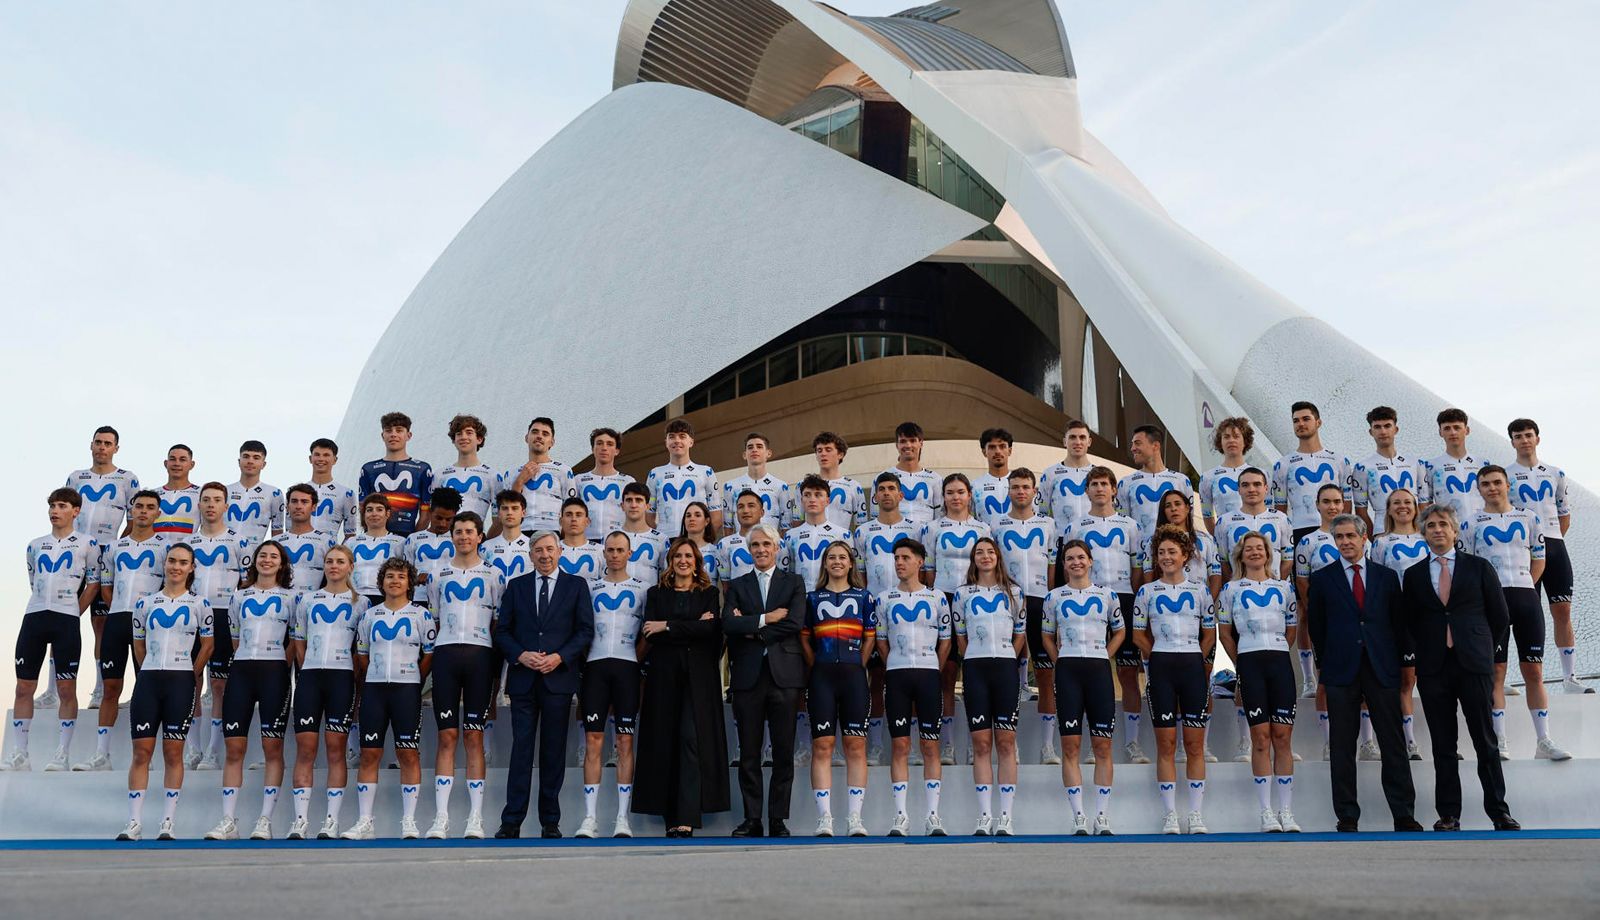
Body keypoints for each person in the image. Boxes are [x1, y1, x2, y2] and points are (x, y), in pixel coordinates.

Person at [1398, 505, 1520, 832]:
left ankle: (1499, 812)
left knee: (1485, 741)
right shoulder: (1413, 575)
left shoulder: (1479, 567)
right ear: (1423, 534)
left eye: (1443, 525)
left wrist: (1481, 648)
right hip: (1435, 667)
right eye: (1431, 526)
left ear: (1454, 531)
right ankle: (1449, 815)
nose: (1438, 530)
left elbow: (1500, 616)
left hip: (1473, 665)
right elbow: (1409, 621)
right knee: (1443, 745)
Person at [1305, 514, 1420, 832]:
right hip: (1341, 671)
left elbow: (1398, 624)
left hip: (1381, 669)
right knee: (1342, 747)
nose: (1344, 542)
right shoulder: (1323, 579)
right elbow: (1317, 627)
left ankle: (1404, 814)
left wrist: (1399, 664)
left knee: (1393, 744)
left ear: (1363, 536)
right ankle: (1347, 815)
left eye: (1349, 536)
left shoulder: (1386, 577)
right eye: (1338, 537)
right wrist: (1328, 664)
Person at [1461, 466, 1571, 761]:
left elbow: (1540, 558)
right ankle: (1499, 740)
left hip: (1525, 598)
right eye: (1486, 484)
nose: (1492, 488)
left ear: (1507, 485)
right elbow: (1469, 568)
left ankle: (1543, 740)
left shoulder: (1529, 518)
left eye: (1497, 482)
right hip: (1491, 604)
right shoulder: (1471, 523)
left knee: (1534, 671)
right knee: (1496, 672)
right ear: (1479, 488)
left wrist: (1527, 587)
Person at [494, 532, 593, 839]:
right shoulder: (517, 586)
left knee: (553, 753)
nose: (545, 555)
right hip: (524, 681)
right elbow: (502, 632)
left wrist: (560, 657)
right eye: (538, 550)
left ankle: (550, 820)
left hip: (558, 681)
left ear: (559, 551)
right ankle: (511, 821)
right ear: (531, 555)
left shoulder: (576, 586)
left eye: (550, 549)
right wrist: (520, 655)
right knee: (521, 751)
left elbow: (584, 631)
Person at [632, 539, 728, 837]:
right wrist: (690, 626)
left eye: (688, 556)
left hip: (699, 681)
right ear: (670, 561)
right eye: (677, 556)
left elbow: (710, 631)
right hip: (663, 678)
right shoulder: (656, 594)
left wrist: (669, 626)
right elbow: (651, 632)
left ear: (697, 561)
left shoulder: (709, 594)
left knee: (690, 740)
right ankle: (669, 816)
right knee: (665, 741)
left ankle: (686, 815)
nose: (683, 560)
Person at [118, 543, 213, 840]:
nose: (175, 567)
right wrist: (150, 667)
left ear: (191, 568)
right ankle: (133, 823)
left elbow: (208, 645)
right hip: (148, 681)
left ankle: (167, 822)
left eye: (183, 562)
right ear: (165, 563)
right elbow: (139, 645)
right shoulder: (146, 603)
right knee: (141, 752)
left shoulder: (200, 604)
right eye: (172, 560)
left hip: (181, 682)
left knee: (174, 752)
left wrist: (191, 673)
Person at [3, 489, 101, 772]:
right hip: (34, 618)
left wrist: (73, 612)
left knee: (66, 687)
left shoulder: (88, 543)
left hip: (65, 620)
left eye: (61, 506)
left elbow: (93, 584)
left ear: (76, 511)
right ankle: (20, 753)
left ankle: (62, 752)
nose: (55, 511)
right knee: (23, 687)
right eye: (52, 506)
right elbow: (34, 581)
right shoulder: (35, 545)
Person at [206, 540, 295, 840]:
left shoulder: (293, 598)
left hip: (274, 674)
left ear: (282, 564)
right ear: (254, 561)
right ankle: (228, 819)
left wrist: (281, 665)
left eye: (273, 557)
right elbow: (234, 637)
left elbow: (296, 639)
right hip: (242, 671)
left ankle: (264, 820)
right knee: (235, 748)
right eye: (262, 556)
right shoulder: (239, 596)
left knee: (273, 748)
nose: (267, 561)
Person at [721, 524, 806, 837]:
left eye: (766, 544)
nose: (760, 550)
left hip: (784, 678)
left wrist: (752, 631)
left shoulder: (793, 582)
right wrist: (766, 619)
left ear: (776, 547)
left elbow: (795, 622)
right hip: (748, 678)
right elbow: (728, 623)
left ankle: (778, 819)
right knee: (749, 754)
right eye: (755, 545)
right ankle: (752, 819)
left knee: (783, 753)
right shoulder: (738, 585)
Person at [342, 557, 436, 839]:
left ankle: (409, 821)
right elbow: (361, 654)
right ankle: (365, 822)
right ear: (381, 582)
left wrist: (414, 679)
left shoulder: (421, 615)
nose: (395, 581)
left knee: (408, 753)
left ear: (409, 583)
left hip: (406, 690)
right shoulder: (370, 615)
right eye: (390, 576)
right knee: (370, 754)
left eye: (401, 577)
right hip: (375, 689)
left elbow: (430, 653)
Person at [427, 511, 507, 839]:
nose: (463, 537)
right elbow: (433, 617)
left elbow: (497, 623)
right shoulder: (437, 573)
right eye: (458, 532)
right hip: (446, 655)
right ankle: (441, 818)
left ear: (479, 537)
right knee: (447, 737)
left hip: (479, 656)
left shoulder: (493, 574)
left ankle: (475, 818)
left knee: (474, 737)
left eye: (469, 532)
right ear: (452, 536)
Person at [1131, 526, 1215, 835]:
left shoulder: (1200, 589)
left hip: (1192, 665)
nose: (1166, 557)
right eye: (1161, 552)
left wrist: (1195, 656)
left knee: (1194, 745)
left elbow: (1209, 632)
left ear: (1185, 556)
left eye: (1172, 552)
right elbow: (1138, 634)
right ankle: (1170, 815)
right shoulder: (1147, 591)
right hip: (1162, 667)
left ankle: (1195, 814)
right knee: (1165, 745)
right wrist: (1159, 655)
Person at [1219, 533, 1304, 832]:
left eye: (1260, 549)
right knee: (1261, 739)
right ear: (1240, 556)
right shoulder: (1230, 590)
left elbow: (1292, 630)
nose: (1255, 553)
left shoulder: (1284, 588)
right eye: (1248, 549)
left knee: (1282, 738)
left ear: (1269, 554)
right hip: (1250, 661)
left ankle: (1286, 811)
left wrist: (1279, 649)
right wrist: (1241, 662)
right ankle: (1266, 812)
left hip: (1279, 662)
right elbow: (1225, 633)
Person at [1062, 467, 1146, 764]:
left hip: (1122, 596)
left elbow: (1138, 566)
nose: (1099, 489)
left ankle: (1132, 743)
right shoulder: (1075, 526)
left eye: (1104, 484)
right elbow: (1068, 565)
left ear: (1114, 490)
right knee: (1086, 677)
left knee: (1127, 674)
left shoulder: (1130, 525)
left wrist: (1130, 596)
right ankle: (1089, 744)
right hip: (1087, 601)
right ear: (1086, 491)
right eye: (1094, 484)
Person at [1041, 539, 1125, 835]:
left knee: (1103, 746)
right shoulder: (1053, 597)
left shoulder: (1107, 595)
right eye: (1070, 559)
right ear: (1063, 565)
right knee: (1071, 746)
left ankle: (1101, 817)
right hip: (1068, 672)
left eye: (1081, 557)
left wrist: (1105, 654)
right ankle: (1078, 817)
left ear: (1091, 562)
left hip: (1098, 670)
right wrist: (1060, 660)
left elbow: (1120, 630)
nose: (1076, 562)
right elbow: (1047, 636)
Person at [55, 426, 139, 711]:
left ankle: (101, 688)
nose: (102, 447)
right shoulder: (77, 477)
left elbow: (134, 519)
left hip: (105, 556)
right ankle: (54, 689)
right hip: (74, 555)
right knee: (61, 619)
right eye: (98, 442)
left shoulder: (127, 479)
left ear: (116, 448)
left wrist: (116, 550)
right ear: (91, 445)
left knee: (101, 625)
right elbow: (64, 513)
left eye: (108, 443)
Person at [81, 490, 165, 771]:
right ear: (132, 511)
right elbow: (106, 589)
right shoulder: (115, 548)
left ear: (157, 513)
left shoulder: (165, 548)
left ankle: (145, 756)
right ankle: (101, 754)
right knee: (110, 687)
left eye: (149, 507)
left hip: (150, 625)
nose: (143, 511)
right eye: (139, 506)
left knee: (146, 689)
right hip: (118, 620)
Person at [287, 544, 366, 839]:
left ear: (350, 567)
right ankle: (300, 820)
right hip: (310, 677)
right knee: (305, 750)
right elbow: (299, 641)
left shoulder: (362, 603)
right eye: (330, 561)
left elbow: (362, 648)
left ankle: (331, 821)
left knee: (336, 750)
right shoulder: (308, 600)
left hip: (342, 678)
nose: (334, 566)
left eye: (340, 562)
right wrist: (309, 666)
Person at [874, 538, 952, 836]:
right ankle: (901, 816)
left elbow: (946, 640)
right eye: (896, 558)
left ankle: (933, 816)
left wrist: (934, 665)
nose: (899, 563)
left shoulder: (937, 598)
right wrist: (893, 662)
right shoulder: (885, 598)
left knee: (931, 746)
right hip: (896, 675)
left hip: (929, 674)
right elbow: (881, 641)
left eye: (905, 557)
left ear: (920, 562)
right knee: (900, 745)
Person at [1506, 418, 1588, 694]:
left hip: (1553, 545)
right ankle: (1507, 678)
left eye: (1529, 435)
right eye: (1518, 436)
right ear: (1513, 442)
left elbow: (1564, 516)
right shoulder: (1506, 475)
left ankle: (1570, 677)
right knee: (1518, 612)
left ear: (1537, 439)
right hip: (1522, 550)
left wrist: (1550, 541)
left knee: (1562, 610)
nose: (1524, 440)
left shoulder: (1555, 473)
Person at [575, 532, 648, 839]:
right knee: (593, 740)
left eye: (620, 550)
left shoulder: (642, 589)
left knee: (625, 743)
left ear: (630, 553)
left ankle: (622, 818)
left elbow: (647, 631)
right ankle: (589, 818)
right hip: (595, 667)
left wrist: (635, 657)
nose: (615, 555)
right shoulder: (590, 587)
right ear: (603, 553)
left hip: (627, 668)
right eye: (610, 550)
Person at [952, 537, 1026, 835]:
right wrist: (975, 654)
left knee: (1006, 743)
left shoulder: (1014, 593)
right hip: (975, 668)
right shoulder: (962, 594)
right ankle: (985, 815)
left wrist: (1008, 654)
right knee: (981, 744)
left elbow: (1020, 633)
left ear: (998, 557)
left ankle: (1005, 817)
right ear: (973, 559)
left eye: (990, 552)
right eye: (979, 552)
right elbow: (960, 636)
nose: (985, 557)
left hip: (1006, 667)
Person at [802, 541, 874, 837]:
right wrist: (816, 665)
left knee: (856, 746)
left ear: (850, 564)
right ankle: (825, 818)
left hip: (854, 678)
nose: (836, 561)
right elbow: (805, 639)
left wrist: (859, 665)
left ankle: (854, 818)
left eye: (842, 557)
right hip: (822, 679)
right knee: (823, 747)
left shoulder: (864, 597)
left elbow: (869, 638)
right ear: (824, 564)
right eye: (831, 557)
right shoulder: (812, 598)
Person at [177, 482, 250, 772]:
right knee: (191, 680)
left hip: (222, 615)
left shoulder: (238, 541)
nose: (210, 505)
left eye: (216, 500)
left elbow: (246, 581)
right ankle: (193, 747)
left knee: (219, 685)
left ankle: (212, 750)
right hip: (190, 615)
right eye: (205, 500)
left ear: (225, 506)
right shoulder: (188, 544)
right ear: (199, 505)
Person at [992, 469, 1060, 765]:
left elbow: (1053, 566)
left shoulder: (1048, 524)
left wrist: (1051, 598)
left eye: (1025, 487)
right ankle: (1011, 747)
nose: (1020, 491)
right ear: (1008, 491)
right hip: (1007, 602)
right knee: (1008, 678)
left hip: (1041, 601)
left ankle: (1047, 747)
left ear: (1035, 492)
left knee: (1046, 676)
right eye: (1015, 487)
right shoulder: (995, 523)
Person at [921, 473, 989, 765]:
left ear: (969, 494)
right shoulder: (933, 527)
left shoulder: (983, 527)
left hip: (975, 599)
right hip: (944, 598)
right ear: (943, 497)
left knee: (975, 677)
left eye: (960, 491)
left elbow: (988, 563)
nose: (955, 497)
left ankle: (978, 746)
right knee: (946, 677)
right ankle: (948, 745)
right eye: (950, 492)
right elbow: (929, 569)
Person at [853, 472, 918, 763]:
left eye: (892, 488)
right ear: (875, 497)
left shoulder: (917, 528)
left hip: (911, 612)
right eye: (882, 489)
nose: (887, 493)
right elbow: (861, 575)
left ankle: (912, 746)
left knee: (913, 679)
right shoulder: (863, 531)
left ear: (901, 495)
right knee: (876, 680)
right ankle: (877, 745)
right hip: (877, 609)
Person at [1370, 488, 1429, 759]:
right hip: (1399, 619)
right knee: (1406, 681)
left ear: (1416, 507)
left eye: (1407, 502)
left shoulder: (1428, 537)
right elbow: (1378, 582)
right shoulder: (1381, 543)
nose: (1402, 507)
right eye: (1396, 503)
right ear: (1389, 509)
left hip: (1430, 618)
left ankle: (1442, 741)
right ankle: (1409, 742)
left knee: (1434, 680)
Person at [1295, 483, 1353, 757]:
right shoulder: (1308, 542)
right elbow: (1303, 579)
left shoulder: (1354, 536)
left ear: (1344, 504)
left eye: (1337, 501)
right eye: (1326, 501)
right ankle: (1330, 742)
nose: (1332, 506)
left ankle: (1365, 740)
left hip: (1353, 621)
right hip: (1325, 619)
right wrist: (1315, 608)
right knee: (1325, 682)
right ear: (1316, 505)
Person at [1271, 401, 1355, 544]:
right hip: (1298, 531)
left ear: (1318, 422)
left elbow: (1347, 501)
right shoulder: (1283, 464)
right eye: (1296, 421)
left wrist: (1344, 530)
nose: (1301, 424)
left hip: (1335, 531)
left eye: (1306, 419)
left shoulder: (1339, 460)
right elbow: (1280, 507)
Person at [358, 412, 434, 537]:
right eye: (389, 431)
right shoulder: (368, 469)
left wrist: (412, 539)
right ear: (383, 435)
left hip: (407, 536)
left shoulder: (422, 468)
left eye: (399, 430)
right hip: (375, 537)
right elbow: (363, 509)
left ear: (408, 435)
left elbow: (426, 512)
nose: (393, 434)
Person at [1116, 424, 1194, 547]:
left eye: (1137, 443)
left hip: (1176, 554)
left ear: (1155, 446)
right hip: (1140, 557)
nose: (1132, 448)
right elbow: (1123, 526)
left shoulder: (1182, 481)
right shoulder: (1126, 483)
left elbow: (1189, 523)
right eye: (1132, 444)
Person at [1353, 407, 1425, 539]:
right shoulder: (1362, 468)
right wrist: (1375, 539)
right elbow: (1361, 512)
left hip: (1417, 534)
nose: (1383, 431)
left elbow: (1424, 504)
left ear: (1396, 429)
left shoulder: (1416, 463)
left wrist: (1424, 532)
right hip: (1382, 532)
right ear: (1371, 432)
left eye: (1387, 426)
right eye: (1377, 427)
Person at [1213, 467, 1293, 581]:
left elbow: (1288, 560)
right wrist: (1235, 584)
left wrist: (1277, 585)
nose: (1251, 489)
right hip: (1239, 592)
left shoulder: (1281, 518)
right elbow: (1223, 562)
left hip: (1275, 590)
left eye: (1257, 484)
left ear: (1266, 488)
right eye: (1245, 485)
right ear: (1239, 489)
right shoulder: (1224, 521)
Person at [783, 475, 852, 603]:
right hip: (800, 602)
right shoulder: (790, 536)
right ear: (801, 500)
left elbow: (850, 573)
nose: (812, 499)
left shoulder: (843, 534)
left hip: (833, 599)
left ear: (827, 500)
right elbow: (788, 574)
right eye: (807, 495)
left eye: (818, 494)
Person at [646, 419, 721, 537]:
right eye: (672, 437)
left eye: (682, 436)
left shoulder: (706, 472)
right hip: (665, 540)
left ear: (691, 442)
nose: (677, 440)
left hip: (695, 541)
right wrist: (659, 539)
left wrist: (702, 541)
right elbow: (648, 516)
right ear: (666, 442)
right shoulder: (655, 474)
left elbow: (716, 516)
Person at [1421, 409, 1491, 526]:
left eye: (1457, 427)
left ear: (1467, 430)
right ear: (1440, 432)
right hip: (1450, 531)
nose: (1452, 432)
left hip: (1483, 528)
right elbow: (1425, 505)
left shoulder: (1482, 463)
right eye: (1447, 428)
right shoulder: (1431, 466)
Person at [505, 417, 574, 535]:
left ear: (552, 442)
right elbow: (506, 508)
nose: (539, 436)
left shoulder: (563, 470)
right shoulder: (511, 473)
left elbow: (571, 508)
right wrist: (519, 481)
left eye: (545, 434)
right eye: (535, 432)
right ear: (526, 438)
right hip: (519, 533)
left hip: (551, 532)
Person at [1039, 419, 1095, 554]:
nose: (1078, 442)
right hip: (1061, 545)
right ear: (1065, 442)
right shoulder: (1050, 474)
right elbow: (1042, 514)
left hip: (1094, 542)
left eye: (1082, 437)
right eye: (1072, 437)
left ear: (1089, 442)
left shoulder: (1099, 474)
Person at [721, 432, 790, 533]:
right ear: (744, 455)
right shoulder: (730, 486)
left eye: (759, 446)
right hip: (741, 546)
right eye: (750, 447)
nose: (754, 450)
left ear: (768, 453)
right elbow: (727, 525)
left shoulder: (781, 486)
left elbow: (786, 525)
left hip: (769, 546)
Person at [437, 415, 501, 522]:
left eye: (469, 432)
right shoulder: (440, 475)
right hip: (446, 536)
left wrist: (485, 539)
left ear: (479, 439)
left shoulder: (492, 476)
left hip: (476, 536)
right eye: (459, 433)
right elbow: (433, 515)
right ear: (454, 440)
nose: (463, 437)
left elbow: (498, 521)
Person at [573, 428, 634, 540]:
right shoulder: (578, 480)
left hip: (617, 543)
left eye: (609, 444)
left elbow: (635, 514)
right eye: (599, 443)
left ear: (617, 450)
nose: (604, 448)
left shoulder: (628, 481)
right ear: (592, 449)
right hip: (585, 541)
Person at [403, 488, 461, 604]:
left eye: (448, 519)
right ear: (430, 512)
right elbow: (405, 573)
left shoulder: (460, 539)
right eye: (438, 518)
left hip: (450, 599)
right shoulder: (413, 539)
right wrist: (417, 578)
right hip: (421, 599)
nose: (442, 523)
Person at [277, 483, 338, 591]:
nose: (298, 506)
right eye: (294, 501)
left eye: (304, 502)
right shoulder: (276, 542)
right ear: (287, 506)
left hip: (313, 604)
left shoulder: (326, 541)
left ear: (313, 507)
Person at [227, 439, 285, 551]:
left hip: (253, 556)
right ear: (239, 461)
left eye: (256, 457)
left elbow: (277, 532)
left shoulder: (274, 494)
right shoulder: (225, 491)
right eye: (246, 456)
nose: (250, 461)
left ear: (263, 464)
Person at [879, 421, 940, 526]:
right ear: (897, 445)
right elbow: (876, 516)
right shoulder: (882, 478)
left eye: (912, 440)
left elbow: (941, 516)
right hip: (897, 539)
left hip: (925, 539)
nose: (908, 445)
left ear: (921, 443)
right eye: (903, 441)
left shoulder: (935, 478)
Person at [348, 495, 405, 606]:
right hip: (355, 597)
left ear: (387, 514)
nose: (374, 514)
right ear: (363, 514)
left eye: (379, 509)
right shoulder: (351, 542)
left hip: (385, 598)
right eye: (369, 510)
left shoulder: (400, 542)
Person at [1199, 417, 1253, 532]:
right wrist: (1220, 538)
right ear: (1220, 442)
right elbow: (1207, 516)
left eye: (1236, 436)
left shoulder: (1260, 475)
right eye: (1226, 437)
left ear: (1245, 441)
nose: (1231, 440)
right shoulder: (1208, 477)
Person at [810, 431, 868, 531]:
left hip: (841, 544)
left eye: (828, 450)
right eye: (819, 450)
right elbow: (798, 518)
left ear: (840, 454)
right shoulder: (802, 485)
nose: (823, 454)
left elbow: (861, 526)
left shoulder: (854, 486)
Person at [973, 428, 1029, 527]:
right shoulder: (974, 486)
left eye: (1002, 446)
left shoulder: (1024, 484)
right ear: (984, 452)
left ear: (1010, 450)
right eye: (992, 447)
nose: (998, 451)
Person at [305, 438, 360, 538]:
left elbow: (350, 536)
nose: (321, 459)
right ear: (310, 458)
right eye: (317, 455)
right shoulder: (297, 492)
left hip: (329, 551)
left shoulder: (346, 494)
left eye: (326, 455)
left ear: (335, 460)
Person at [619, 482, 670, 584]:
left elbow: (666, 574)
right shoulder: (610, 536)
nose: (633, 505)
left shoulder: (661, 539)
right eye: (629, 500)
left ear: (647, 506)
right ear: (622, 505)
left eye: (638, 500)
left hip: (650, 597)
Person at [712, 490, 764, 588]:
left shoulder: (777, 542)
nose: (745, 511)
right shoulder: (724, 544)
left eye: (751, 505)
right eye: (740, 507)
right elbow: (726, 586)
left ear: (762, 512)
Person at [153, 444, 200, 539]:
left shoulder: (201, 493)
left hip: (187, 551)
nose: (177, 463)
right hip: (155, 551)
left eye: (182, 460)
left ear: (192, 464)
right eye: (172, 459)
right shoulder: (153, 494)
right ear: (166, 463)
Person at [558, 497, 605, 580]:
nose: (573, 519)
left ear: (587, 521)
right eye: (569, 515)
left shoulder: (601, 551)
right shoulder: (552, 549)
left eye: (578, 515)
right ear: (561, 521)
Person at [677, 501, 719, 581]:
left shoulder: (716, 551)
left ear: (707, 521)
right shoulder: (673, 550)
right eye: (688, 516)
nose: (692, 519)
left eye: (697, 515)